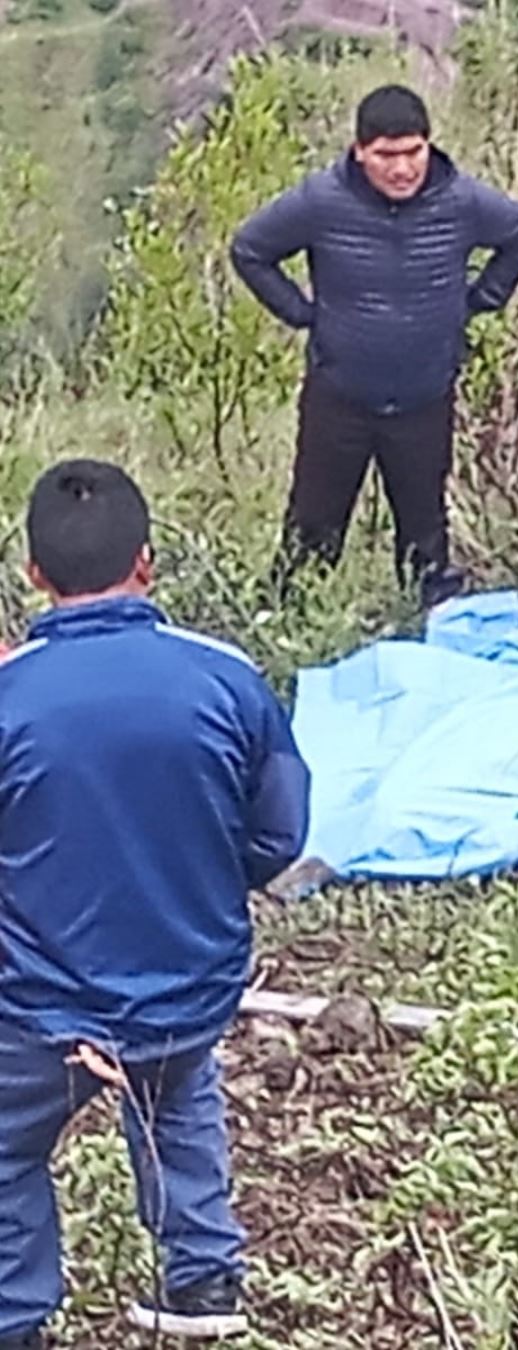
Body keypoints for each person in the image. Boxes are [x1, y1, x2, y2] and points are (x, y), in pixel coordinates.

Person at [0, 461, 311, 1347]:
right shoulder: (227, 679)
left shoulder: (9, 696)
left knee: (6, 1149)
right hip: (188, 988)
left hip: (37, 1010)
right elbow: (278, 838)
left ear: (33, 574)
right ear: (148, 562)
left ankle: (17, 1316)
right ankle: (203, 1280)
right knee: (177, 1101)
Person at [232, 84, 518, 609]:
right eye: (386, 155)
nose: (402, 168)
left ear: (428, 145)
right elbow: (250, 249)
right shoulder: (321, 199)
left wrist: (479, 300)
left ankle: (428, 631)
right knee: (313, 528)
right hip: (340, 396)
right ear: (360, 151)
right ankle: (285, 621)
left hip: (424, 397)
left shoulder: (461, 200)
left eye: (412, 152)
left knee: (424, 535)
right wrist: (303, 314)